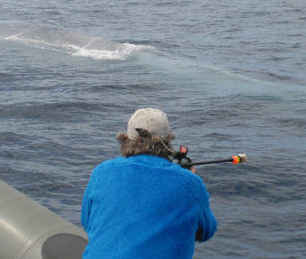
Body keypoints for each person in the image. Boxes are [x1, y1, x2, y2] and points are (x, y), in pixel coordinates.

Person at [81, 108, 217, 259]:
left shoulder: (101, 172)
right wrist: (190, 183)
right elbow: (206, 232)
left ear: (126, 138)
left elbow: (88, 223)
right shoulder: (190, 182)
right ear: (168, 140)